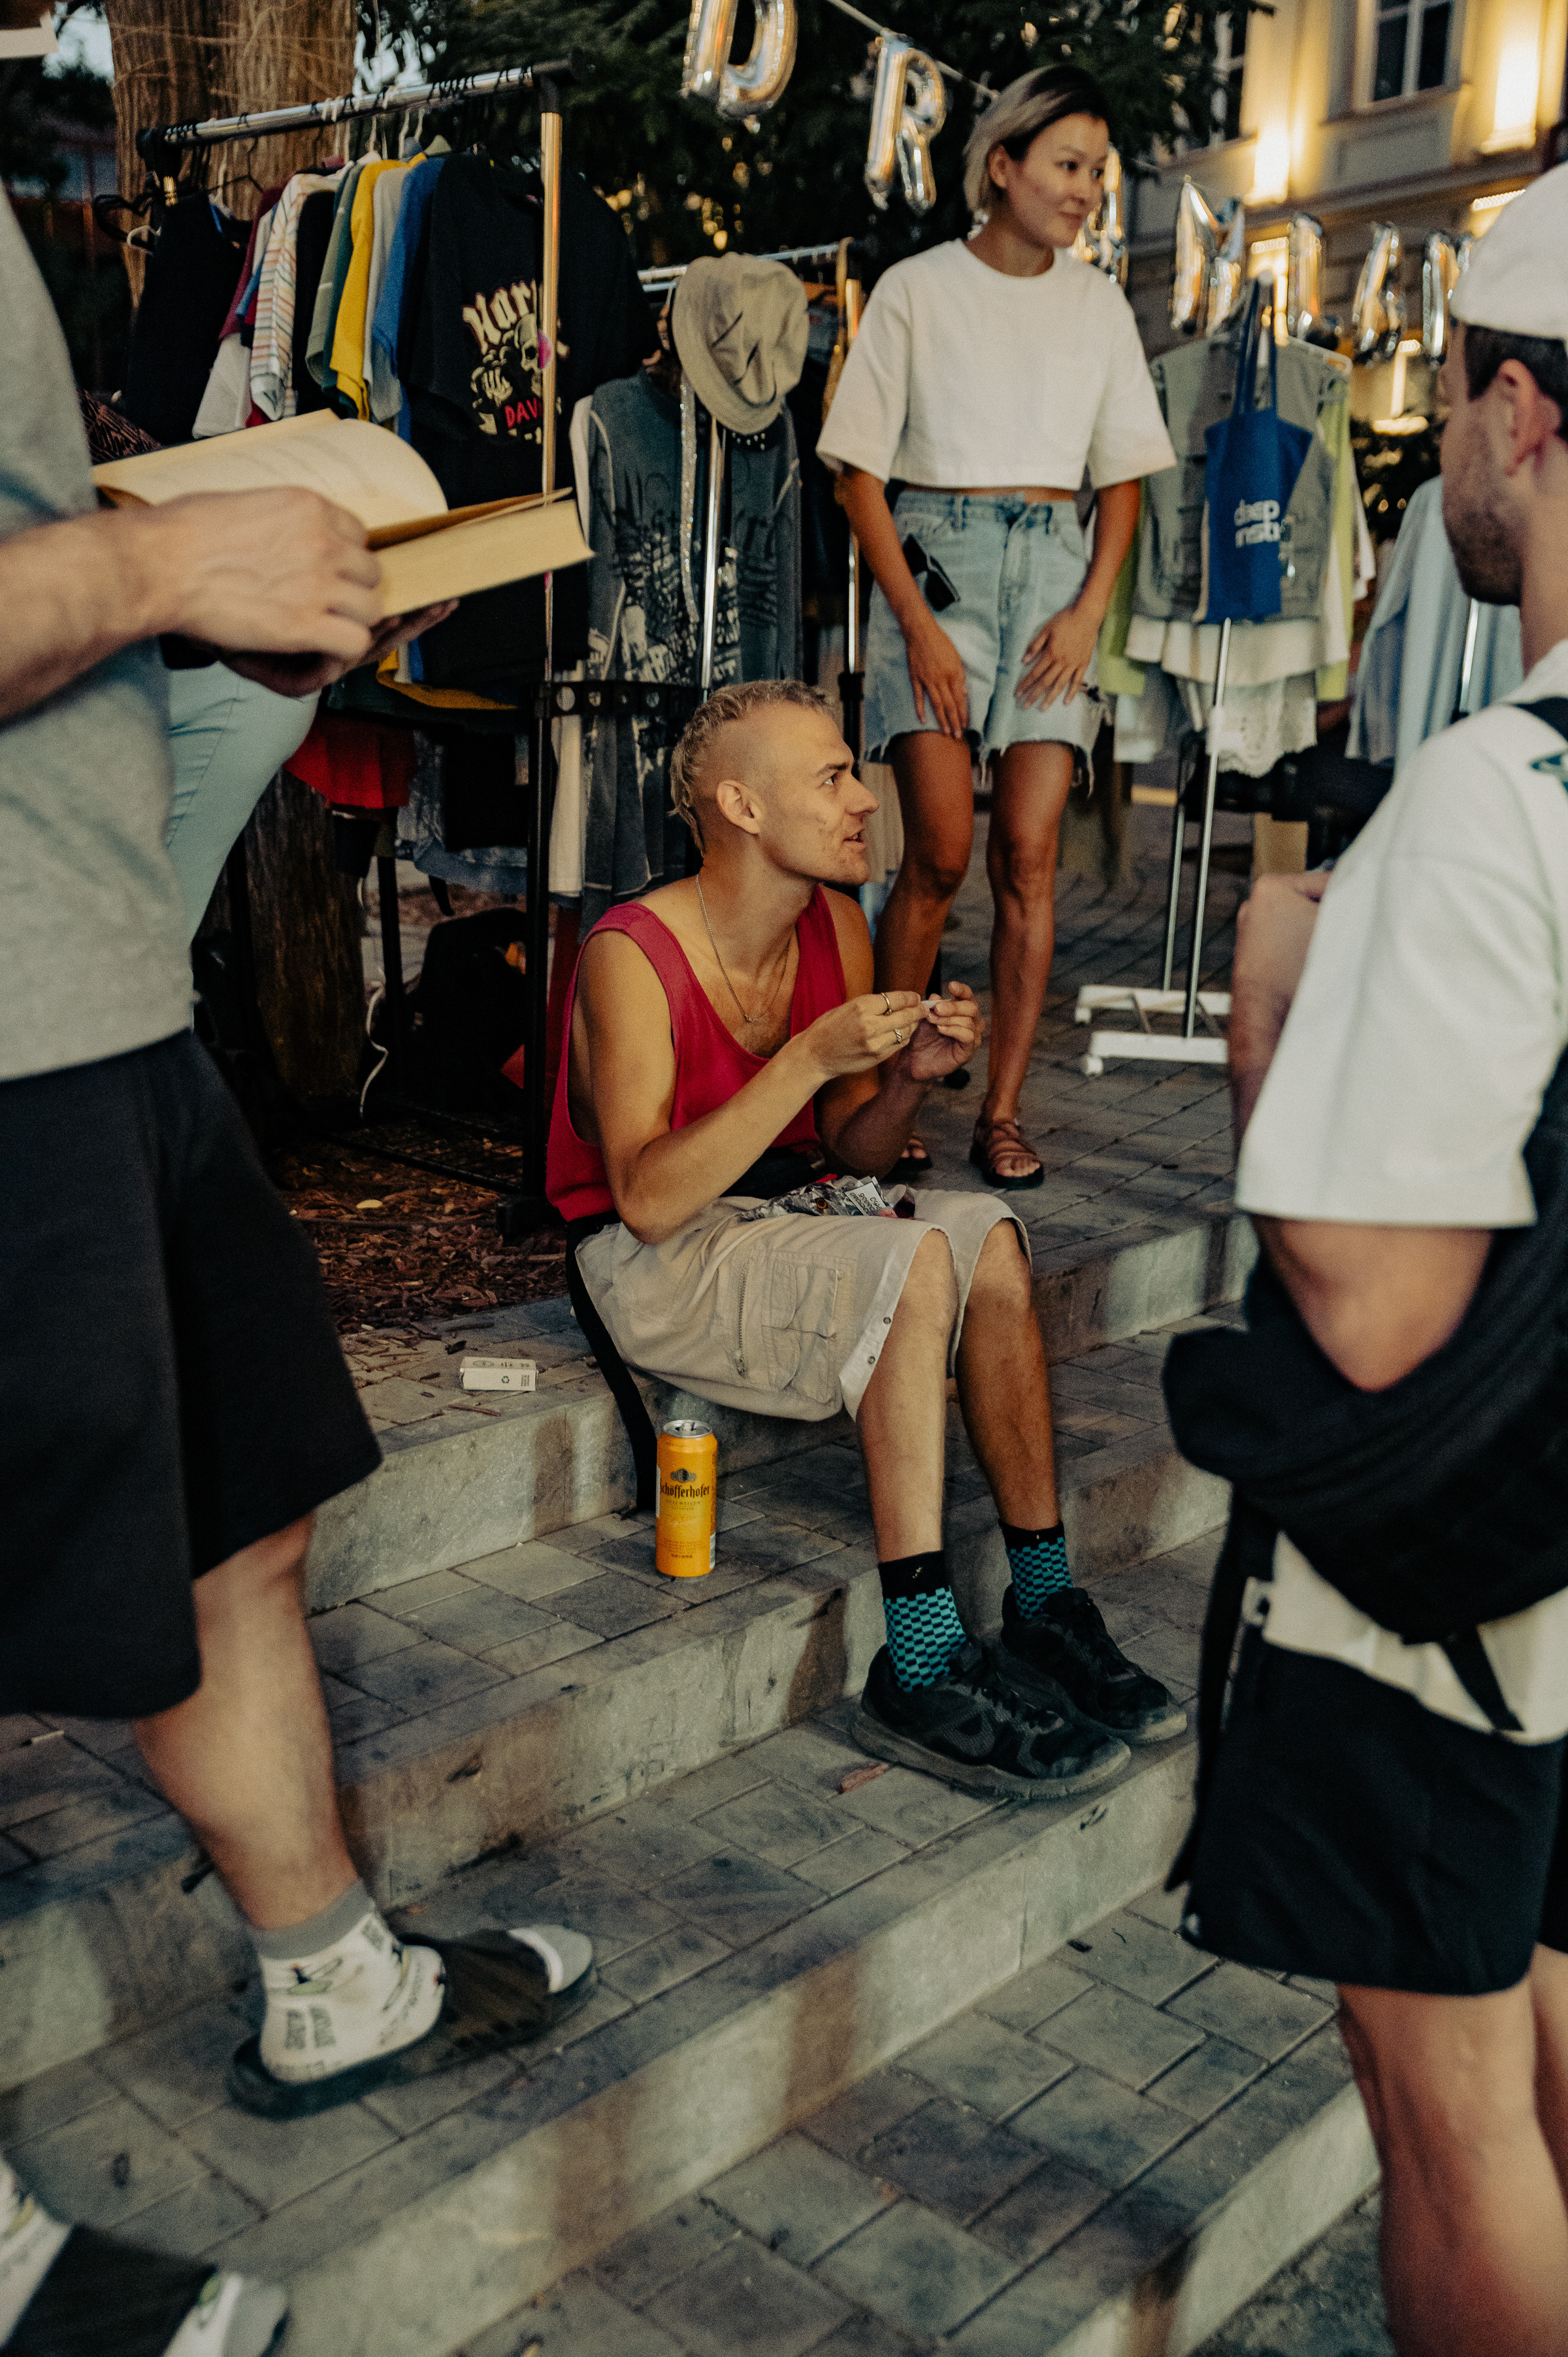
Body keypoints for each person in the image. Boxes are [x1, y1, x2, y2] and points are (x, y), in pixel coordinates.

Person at [0, 191, 593, 2357]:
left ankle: (334, 1978)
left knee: (245, 1515)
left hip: (92, 992)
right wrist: (166, 562)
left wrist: (157, 585)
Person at [1169, 165, 1568, 2357]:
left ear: (1514, 410)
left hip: (1448, 1598)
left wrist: (1274, 1023)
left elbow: (1374, 1300)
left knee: (1452, 2114)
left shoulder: (1501, 790)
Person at [547, 676, 1184, 1792]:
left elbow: (853, 1153)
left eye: (856, 771)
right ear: (743, 808)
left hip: (778, 1209)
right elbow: (646, 1198)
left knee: (985, 1229)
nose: (863, 800)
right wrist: (806, 1058)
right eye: (833, 777)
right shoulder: (631, 951)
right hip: (648, 1254)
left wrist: (910, 1084)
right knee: (915, 1252)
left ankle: (1042, 1605)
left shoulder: (835, 924)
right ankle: (924, 1661)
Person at [819, 65, 1175, 1189]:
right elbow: (859, 477)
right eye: (1069, 166)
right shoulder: (917, 290)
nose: (1086, 191)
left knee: (1030, 858)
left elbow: (1121, 480)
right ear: (1003, 165)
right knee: (937, 850)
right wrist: (914, 623)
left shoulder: (1098, 304)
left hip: (1055, 578)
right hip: (937, 566)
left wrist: (1088, 611)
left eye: (1098, 173)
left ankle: (1005, 1111)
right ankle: (883, 1095)